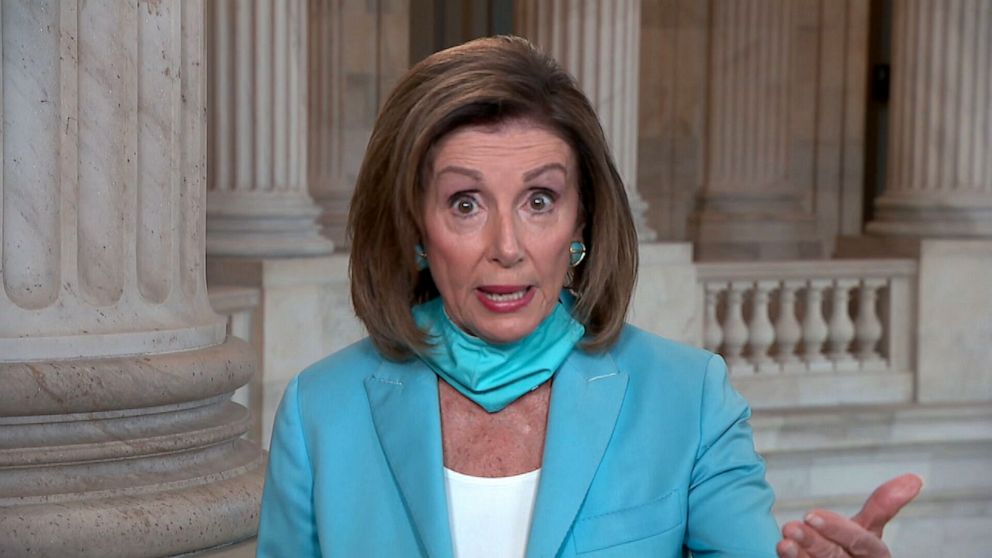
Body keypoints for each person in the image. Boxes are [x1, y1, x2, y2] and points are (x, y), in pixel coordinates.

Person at [256, 36, 920, 557]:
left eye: (540, 200)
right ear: (415, 231)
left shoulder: (688, 399)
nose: (508, 245)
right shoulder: (322, 413)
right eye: (465, 203)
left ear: (582, 222)